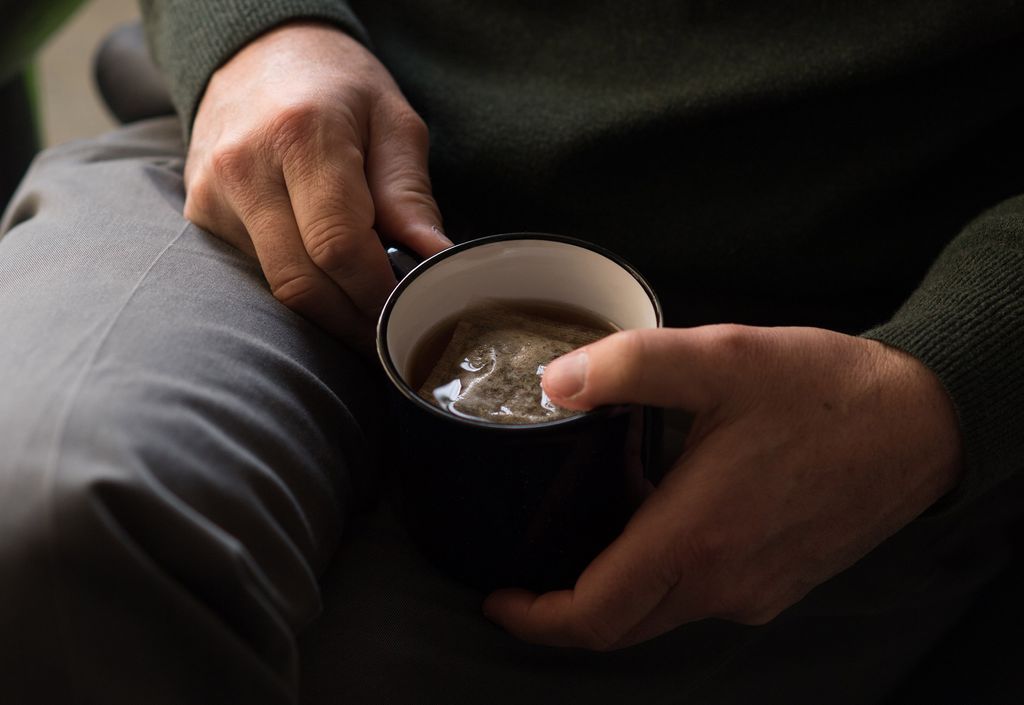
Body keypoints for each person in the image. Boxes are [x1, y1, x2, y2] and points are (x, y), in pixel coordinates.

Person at [1, 1, 1022, 702]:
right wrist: (256, 34)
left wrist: (948, 379)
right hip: (295, 143)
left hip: (815, 359)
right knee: (48, 519)